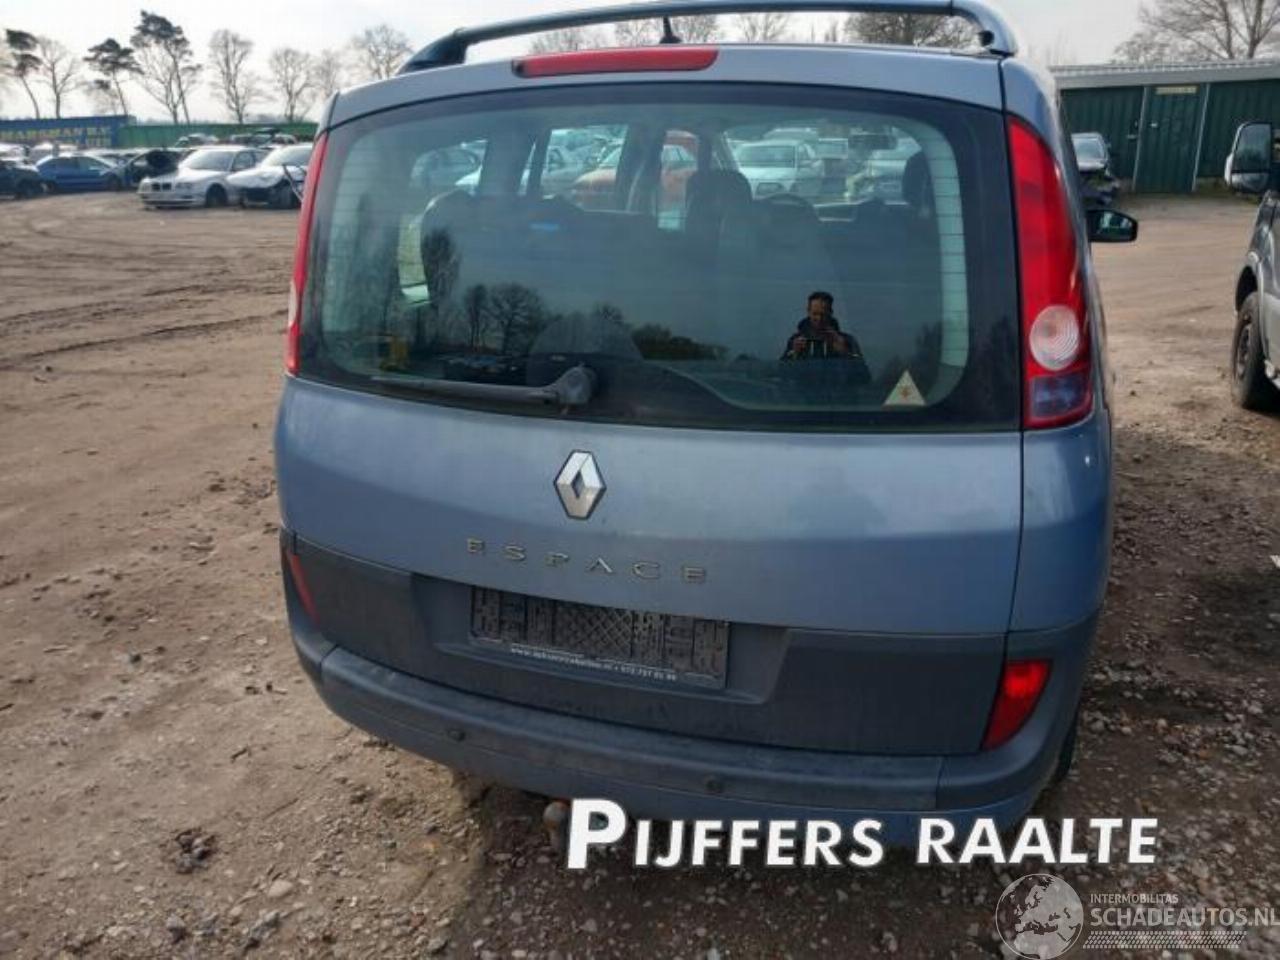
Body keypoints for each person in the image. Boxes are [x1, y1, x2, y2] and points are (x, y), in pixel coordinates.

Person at [781, 292, 869, 376]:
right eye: (815, 314)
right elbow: (781, 374)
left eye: (823, 314)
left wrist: (845, 353)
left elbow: (865, 377)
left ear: (830, 313)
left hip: (836, 387)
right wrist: (794, 354)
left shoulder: (847, 341)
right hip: (803, 387)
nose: (819, 319)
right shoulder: (796, 341)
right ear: (808, 312)